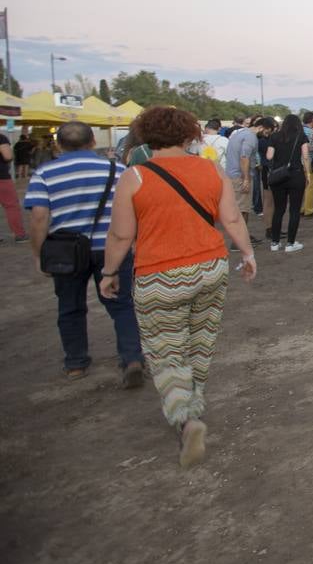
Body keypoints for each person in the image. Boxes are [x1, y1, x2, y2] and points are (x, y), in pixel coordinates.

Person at [97, 106, 256, 468]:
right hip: (210, 268)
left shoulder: (135, 177)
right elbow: (231, 218)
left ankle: (186, 418)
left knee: (166, 350)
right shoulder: (210, 169)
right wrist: (247, 253)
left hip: (159, 275)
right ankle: (192, 404)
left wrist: (109, 272)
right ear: (190, 135)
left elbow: (121, 235)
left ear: (145, 136)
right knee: (201, 343)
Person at [24, 121, 143, 383]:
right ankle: (132, 357)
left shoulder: (45, 173)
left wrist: (39, 254)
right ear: (93, 142)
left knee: (70, 306)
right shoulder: (117, 170)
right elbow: (135, 209)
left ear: (58, 145)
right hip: (112, 247)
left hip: (65, 250)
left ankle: (76, 363)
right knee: (122, 304)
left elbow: (39, 217)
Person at [265, 114, 310, 253]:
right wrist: (308, 174)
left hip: (278, 176)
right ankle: (290, 243)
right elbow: (305, 156)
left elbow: (269, 156)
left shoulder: (274, 136)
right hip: (296, 175)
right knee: (294, 210)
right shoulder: (301, 136)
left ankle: (275, 242)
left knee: (279, 209)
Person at [224, 116, 266, 244]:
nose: (267, 135)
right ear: (261, 127)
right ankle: (239, 241)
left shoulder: (240, 133)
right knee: (243, 209)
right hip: (240, 177)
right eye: (267, 131)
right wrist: (246, 179)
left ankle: (242, 237)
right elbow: (244, 157)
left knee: (239, 208)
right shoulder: (250, 137)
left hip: (233, 174)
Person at [0, 129, 28, 243]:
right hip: (1, 177)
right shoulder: (1, 138)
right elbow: (7, 156)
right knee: (11, 206)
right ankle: (19, 234)